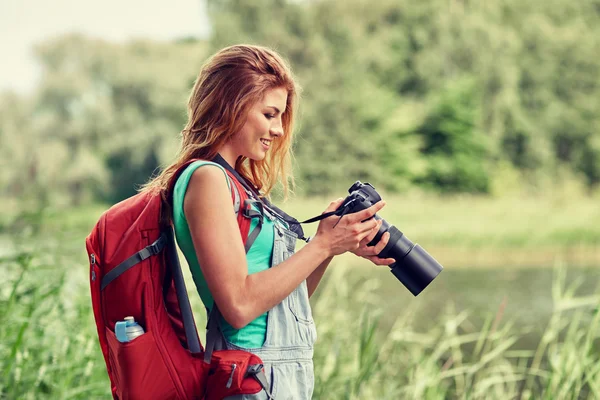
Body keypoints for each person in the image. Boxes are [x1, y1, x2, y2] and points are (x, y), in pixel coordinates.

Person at [142, 44, 395, 399]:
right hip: (253, 378)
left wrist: (333, 244)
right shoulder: (207, 180)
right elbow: (239, 305)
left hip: (280, 374)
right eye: (269, 114)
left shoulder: (239, 184)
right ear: (233, 105)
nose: (278, 130)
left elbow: (287, 300)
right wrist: (322, 245)